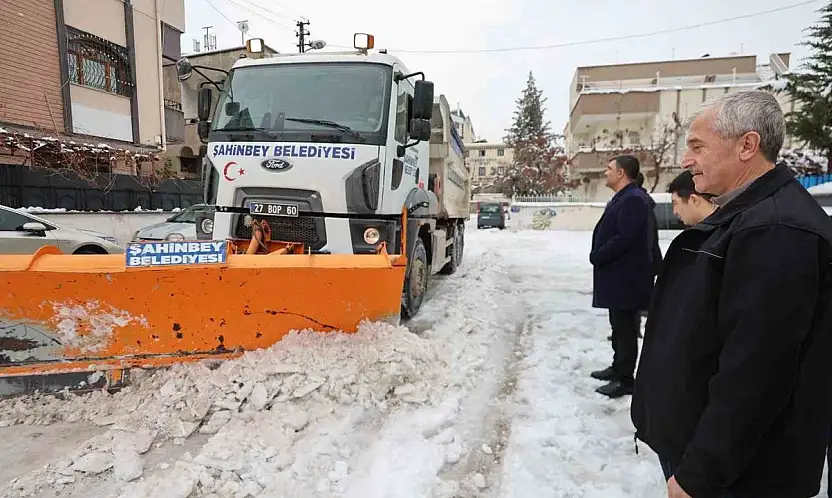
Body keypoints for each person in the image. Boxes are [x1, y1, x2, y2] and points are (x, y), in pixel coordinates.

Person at [630, 90, 832, 497]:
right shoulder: (744, 216)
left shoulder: (775, 230)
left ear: (747, 145)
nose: (686, 161)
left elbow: (756, 374)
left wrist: (700, 472)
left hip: (738, 475)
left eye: (698, 146)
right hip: (713, 457)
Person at [589, 154, 655, 398]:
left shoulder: (634, 199)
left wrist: (600, 255)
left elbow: (625, 237)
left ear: (620, 173)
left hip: (626, 278)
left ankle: (626, 379)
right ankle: (618, 368)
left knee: (626, 330)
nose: (605, 172)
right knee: (619, 327)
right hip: (619, 277)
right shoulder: (625, 197)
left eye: (609, 168)